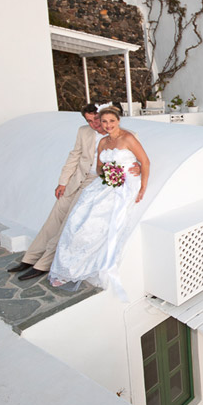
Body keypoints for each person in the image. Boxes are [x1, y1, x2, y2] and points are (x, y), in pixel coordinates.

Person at [49, 106, 150, 296]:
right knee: (78, 217)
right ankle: (68, 267)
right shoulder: (103, 142)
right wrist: (109, 172)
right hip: (108, 182)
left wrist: (143, 186)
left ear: (118, 121)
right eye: (104, 122)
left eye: (112, 121)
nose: (108, 125)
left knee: (98, 221)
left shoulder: (128, 138)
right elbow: (99, 167)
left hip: (127, 184)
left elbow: (145, 162)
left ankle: (85, 265)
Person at [8, 103, 106, 281]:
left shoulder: (118, 135)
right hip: (76, 180)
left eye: (96, 119)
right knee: (53, 218)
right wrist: (63, 182)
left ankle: (43, 264)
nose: (94, 124)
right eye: (89, 121)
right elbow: (74, 156)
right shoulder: (83, 131)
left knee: (66, 224)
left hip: (94, 184)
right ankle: (30, 258)